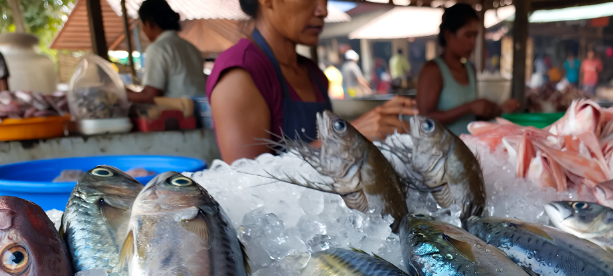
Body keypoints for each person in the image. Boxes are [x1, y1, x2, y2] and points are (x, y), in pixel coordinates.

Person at [206, 0, 415, 163]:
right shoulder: (240, 72)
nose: (323, 10)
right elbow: (248, 182)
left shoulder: (314, 74)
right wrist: (347, 137)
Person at [416, 4, 520, 135]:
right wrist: (469, 107)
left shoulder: (470, 70)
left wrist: (498, 109)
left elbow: (472, 120)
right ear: (448, 35)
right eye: (468, 35)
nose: (472, 42)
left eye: (475, 36)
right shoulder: (433, 70)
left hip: (468, 150)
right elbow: (424, 119)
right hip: (439, 153)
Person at [126, 0, 206, 103]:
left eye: (142, 25)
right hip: (202, 112)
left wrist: (121, 92)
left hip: (180, 115)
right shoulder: (191, 48)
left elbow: (150, 95)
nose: (143, 30)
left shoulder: (158, 48)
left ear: (149, 23)